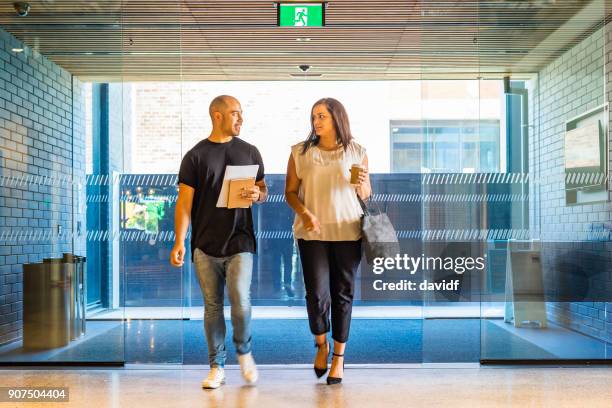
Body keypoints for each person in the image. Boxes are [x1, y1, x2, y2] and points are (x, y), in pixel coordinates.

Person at [170, 95, 267, 389]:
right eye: (236, 113)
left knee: (240, 299)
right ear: (217, 115)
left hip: (240, 241)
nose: (241, 119)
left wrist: (258, 194)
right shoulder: (195, 156)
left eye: (242, 113)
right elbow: (184, 203)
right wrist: (179, 241)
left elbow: (262, 190)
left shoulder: (250, 152)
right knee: (212, 307)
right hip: (205, 245)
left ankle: (245, 351)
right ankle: (217, 367)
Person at [284, 98, 371, 385]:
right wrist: (305, 213)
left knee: (343, 295)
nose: (316, 121)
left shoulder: (356, 151)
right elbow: (291, 193)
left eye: (321, 116)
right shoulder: (300, 152)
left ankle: (339, 359)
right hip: (312, 233)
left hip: (348, 232)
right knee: (317, 295)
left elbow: (365, 194)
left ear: (337, 118)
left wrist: (363, 184)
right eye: (313, 116)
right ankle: (321, 344)